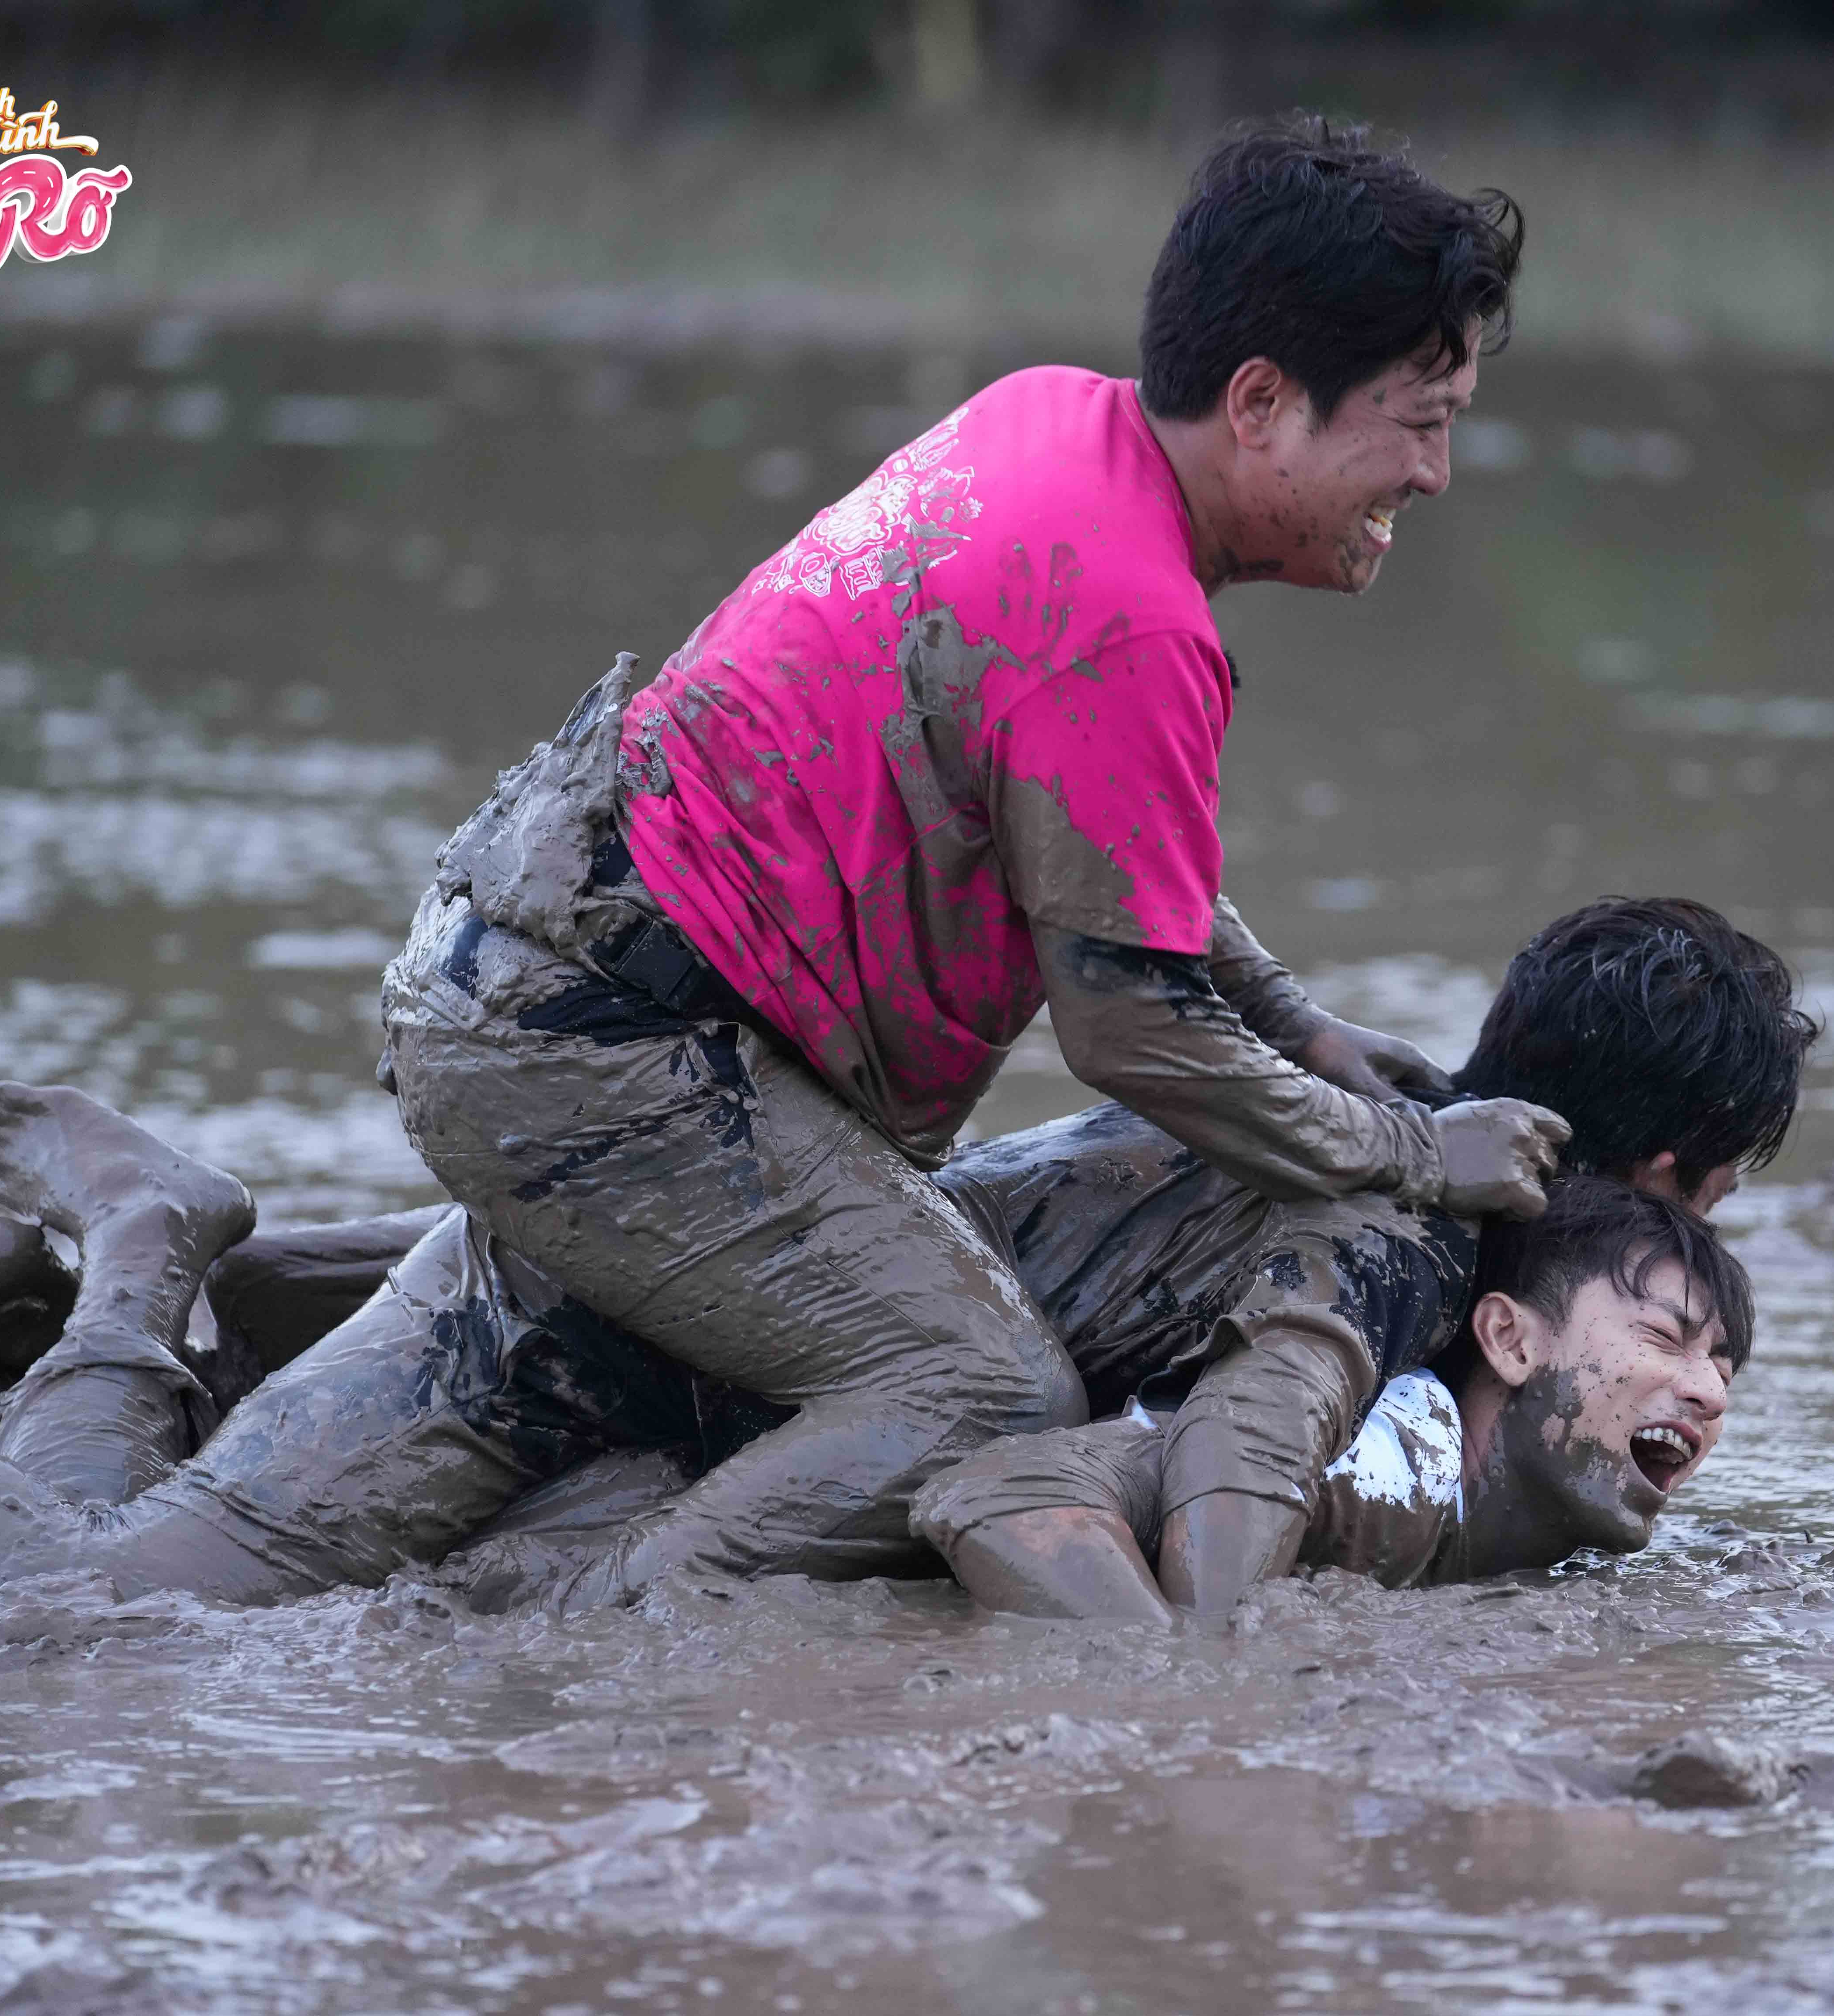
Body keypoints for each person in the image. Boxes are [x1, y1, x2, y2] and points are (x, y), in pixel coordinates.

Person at [373, 115, 1569, 1595]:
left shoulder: (1050, 422)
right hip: (621, 1051)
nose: (1436, 472)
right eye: (1419, 417)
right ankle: (599, 1627)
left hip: (516, 974)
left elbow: (1098, 853)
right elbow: (1128, 1028)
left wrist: (1299, 1028)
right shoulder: (1128, 611)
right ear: (1261, 403)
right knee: (982, 1387)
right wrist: (1410, 1151)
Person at [0, 899, 1812, 1607]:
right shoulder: (1410, 1224)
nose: (1686, 1282)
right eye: (1692, 1220)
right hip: (642, 1326)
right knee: (94, 1590)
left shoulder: (1368, 1117)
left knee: (195, 1416)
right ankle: (137, 1243)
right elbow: (1226, 1468)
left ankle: (117, 1275)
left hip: (689, 1293)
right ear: (1648, 1164)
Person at [914, 1176, 1749, 1622]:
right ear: (1511, 1341)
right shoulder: (1387, 1468)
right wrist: (1183, 1688)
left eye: (1723, 1364)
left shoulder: (1551, 1548)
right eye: (1664, 1340)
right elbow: (1004, 1493)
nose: (1708, 1391)